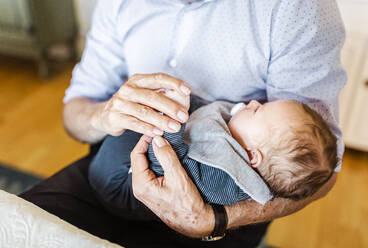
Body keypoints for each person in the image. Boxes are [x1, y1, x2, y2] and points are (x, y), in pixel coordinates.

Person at [20, 0, 346, 247]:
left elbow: (318, 170)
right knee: (26, 226)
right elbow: (74, 113)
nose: (253, 105)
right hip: (120, 167)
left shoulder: (297, 9)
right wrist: (103, 114)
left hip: (222, 215)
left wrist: (214, 218)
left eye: (259, 109)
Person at [89, 97, 338, 221]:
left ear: (252, 156)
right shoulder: (238, 139)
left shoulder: (223, 177)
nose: (253, 102)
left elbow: (166, 164)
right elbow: (206, 119)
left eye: (258, 110)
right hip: (131, 167)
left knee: (133, 127)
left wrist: (174, 122)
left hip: (120, 182)